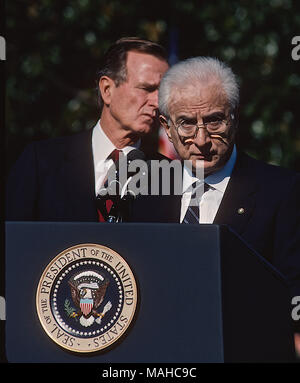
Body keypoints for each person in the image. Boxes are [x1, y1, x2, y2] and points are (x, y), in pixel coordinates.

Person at [130, 57, 300, 338]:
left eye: (214, 121)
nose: (201, 139)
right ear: (166, 126)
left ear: (234, 117)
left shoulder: (282, 192)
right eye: (186, 123)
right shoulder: (142, 186)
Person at [6, 37, 169, 221]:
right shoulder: (41, 162)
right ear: (107, 89)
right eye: (146, 88)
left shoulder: (169, 176)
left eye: (162, 93)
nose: (157, 102)